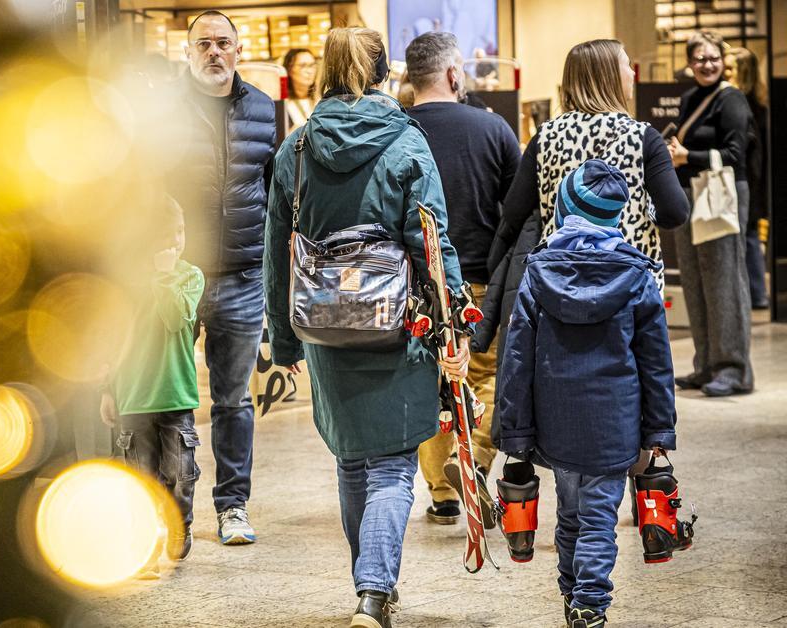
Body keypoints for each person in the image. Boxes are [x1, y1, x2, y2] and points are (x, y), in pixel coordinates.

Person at [264, 27, 469, 628]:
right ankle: (373, 591)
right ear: (384, 74)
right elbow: (433, 244)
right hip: (397, 326)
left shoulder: (296, 149)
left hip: (326, 329)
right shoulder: (407, 143)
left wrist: (283, 338)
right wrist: (453, 323)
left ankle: (369, 583)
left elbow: (279, 249)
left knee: (352, 460)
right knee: (394, 465)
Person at [497, 160, 677, 628]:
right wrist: (659, 430)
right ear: (615, 216)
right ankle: (589, 603)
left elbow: (516, 360)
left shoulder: (538, 274)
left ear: (563, 209)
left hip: (557, 425)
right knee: (599, 519)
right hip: (615, 426)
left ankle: (570, 594)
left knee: (572, 515)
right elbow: (657, 364)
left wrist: (515, 433)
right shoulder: (637, 277)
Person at [483, 39, 689, 393]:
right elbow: (675, 212)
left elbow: (513, 213)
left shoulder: (545, 136)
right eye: (626, 65)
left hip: (560, 286)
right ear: (609, 76)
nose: (632, 73)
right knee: (637, 385)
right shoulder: (643, 138)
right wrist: (644, 209)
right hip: (629, 286)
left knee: (564, 381)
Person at [404, 32, 520, 528]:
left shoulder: (396, 130)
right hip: (480, 285)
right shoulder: (493, 129)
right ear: (455, 74)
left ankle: (441, 493)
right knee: (490, 377)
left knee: (429, 383)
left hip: (415, 287)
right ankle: (474, 461)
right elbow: (518, 212)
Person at [173, 9, 275, 546]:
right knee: (172, 398)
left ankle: (232, 506)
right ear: (188, 53)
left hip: (243, 275)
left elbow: (276, 191)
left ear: (239, 49)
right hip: (175, 279)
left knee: (233, 401)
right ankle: (173, 510)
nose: (214, 52)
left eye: (223, 43)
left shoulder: (262, 107)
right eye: (203, 44)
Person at [100, 198, 205, 566]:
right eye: (165, 235)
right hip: (133, 398)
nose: (175, 242)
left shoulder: (191, 276)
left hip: (175, 396)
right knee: (140, 478)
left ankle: (180, 524)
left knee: (180, 474)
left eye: (180, 232)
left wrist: (163, 276)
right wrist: (108, 391)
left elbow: (177, 320)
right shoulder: (126, 281)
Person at [667, 30, 755, 397]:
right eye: (700, 59)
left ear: (724, 60)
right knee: (696, 282)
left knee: (723, 283)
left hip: (720, 194)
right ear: (689, 63)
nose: (707, 64)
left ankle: (733, 369)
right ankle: (705, 365)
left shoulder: (731, 99)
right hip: (690, 195)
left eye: (713, 58)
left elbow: (736, 155)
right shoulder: (690, 98)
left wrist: (689, 157)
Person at [724, 46, 769, 310]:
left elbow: (752, 155)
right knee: (748, 234)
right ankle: (756, 292)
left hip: (747, 181)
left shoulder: (742, 106)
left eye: (730, 68)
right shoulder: (756, 104)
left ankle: (756, 292)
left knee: (748, 235)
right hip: (751, 180)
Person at [283, 48, 318, 131]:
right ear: (289, 69)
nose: (309, 71)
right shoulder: (283, 104)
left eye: (312, 65)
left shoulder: (321, 100)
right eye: (303, 66)